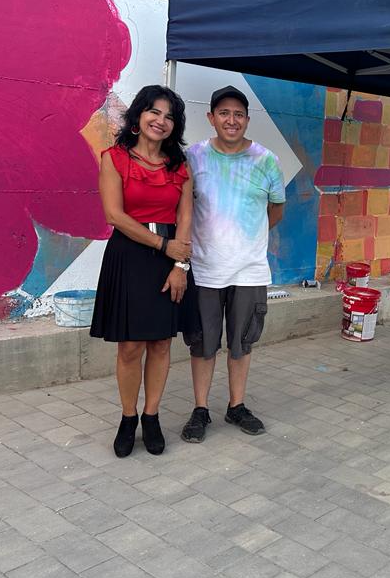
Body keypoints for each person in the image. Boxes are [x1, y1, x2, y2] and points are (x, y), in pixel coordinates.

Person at [90, 85, 193, 457]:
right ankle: (128, 417)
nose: (160, 121)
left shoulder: (180, 166)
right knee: (131, 345)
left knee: (161, 342)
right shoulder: (114, 159)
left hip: (170, 261)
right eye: (154, 112)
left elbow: (185, 218)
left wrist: (179, 264)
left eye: (169, 116)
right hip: (130, 256)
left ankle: (152, 417)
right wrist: (164, 246)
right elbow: (114, 216)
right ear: (139, 116)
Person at [181, 86, 285, 443]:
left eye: (238, 114)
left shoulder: (266, 160)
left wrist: (246, 237)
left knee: (242, 343)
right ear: (211, 118)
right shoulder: (193, 158)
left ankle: (236, 405)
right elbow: (183, 208)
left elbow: (276, 209)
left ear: (247, 120)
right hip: (204, 269)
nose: (231, 120)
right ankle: (200, 409)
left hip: (249, 270)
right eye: (224, 113)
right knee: (203, 343)